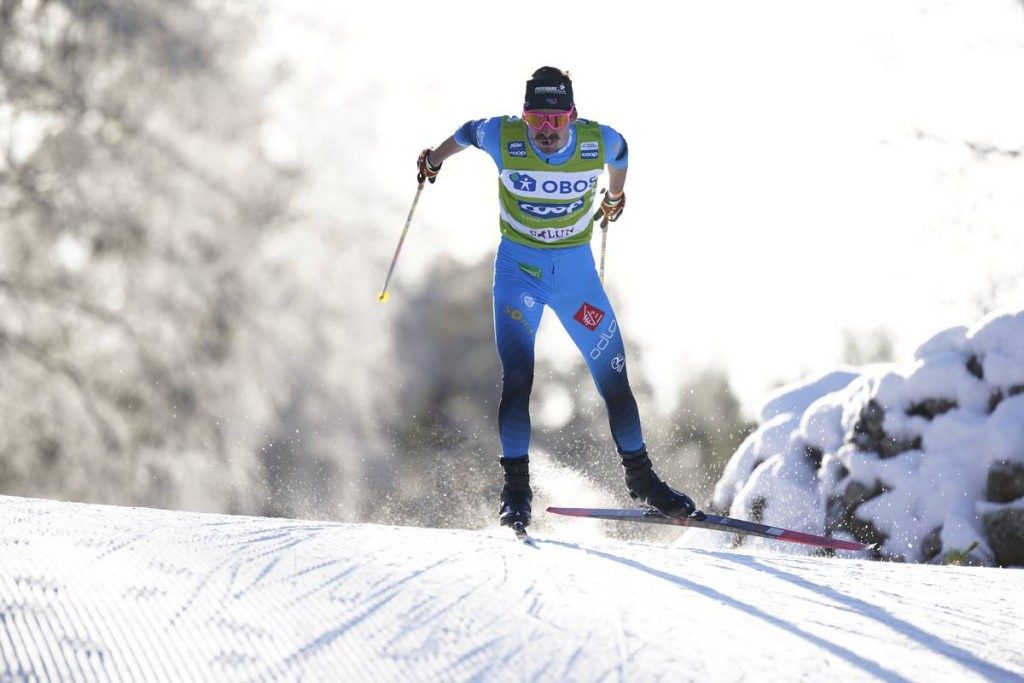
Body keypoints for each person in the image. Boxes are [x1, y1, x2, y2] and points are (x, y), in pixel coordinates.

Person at [417, 67, 695, 530]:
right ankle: (515, 493)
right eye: (536, 120)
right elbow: (466, 133)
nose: (546, 131)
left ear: (573, 116)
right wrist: (435, 158)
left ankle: (642, 480)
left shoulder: (595, 141)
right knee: (519, 378)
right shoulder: (503, 136)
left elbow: (622, 150)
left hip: (574, 279)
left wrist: (616, 195)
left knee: (615, 378)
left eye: (556, 121)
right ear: (523, 116)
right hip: (518, 276)